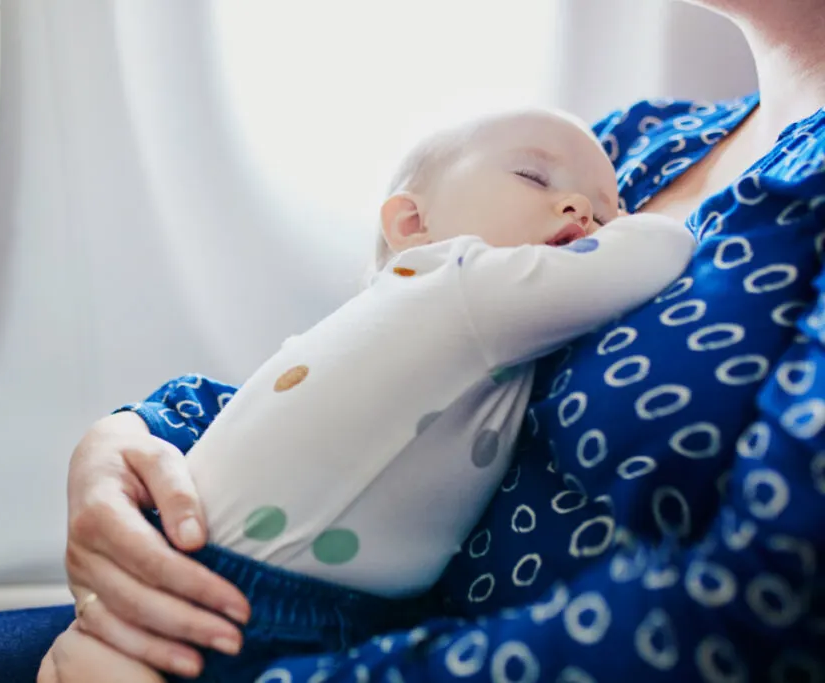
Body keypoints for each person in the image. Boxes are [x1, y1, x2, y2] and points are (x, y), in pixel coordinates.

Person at [0, 0, 821, 681]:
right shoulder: (634, 148)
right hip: (266, 590)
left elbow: (755, 609)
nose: (575, 212)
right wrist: (138, 438)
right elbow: (371, 355)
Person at [86, 108, 693, 682]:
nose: (583, 208)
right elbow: (653, 251)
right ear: (411, 225)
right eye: (534, 177)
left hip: (217, 564)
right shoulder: (463, 284)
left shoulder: (400, 306)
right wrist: (642, 226)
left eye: (609, 213)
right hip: (273, 604)